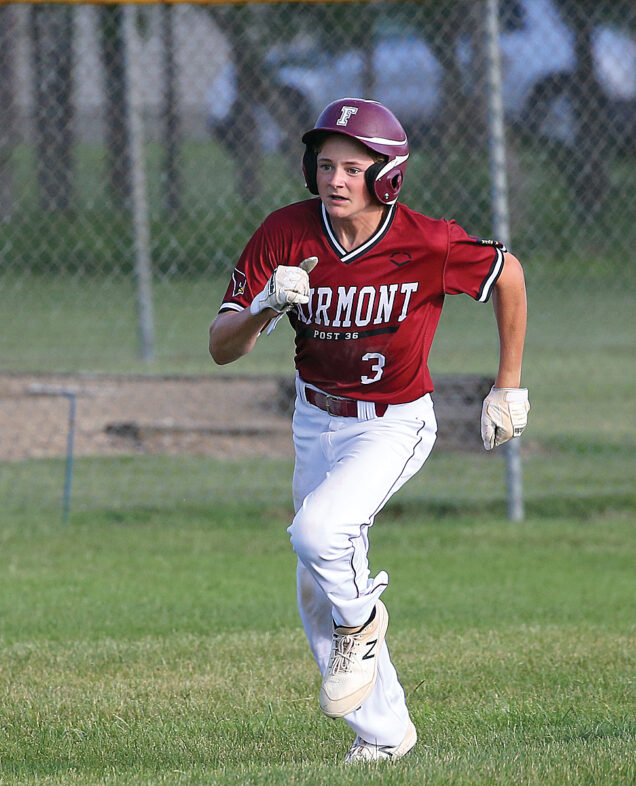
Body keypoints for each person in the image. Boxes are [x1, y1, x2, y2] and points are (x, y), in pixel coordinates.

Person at [209, 98, 529, 763]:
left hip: (393, 423)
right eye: (325, 165)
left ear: (387, 176)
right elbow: (220, 346)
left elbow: (509, 276)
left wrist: (508, 382)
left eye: (353, 168)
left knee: (319, 533)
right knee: (313, 583)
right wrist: (265, 305)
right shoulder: (286, 233)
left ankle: (363, 621)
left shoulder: (426, 240)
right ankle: (384, 737)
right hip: (314, 418)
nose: (335, 180)